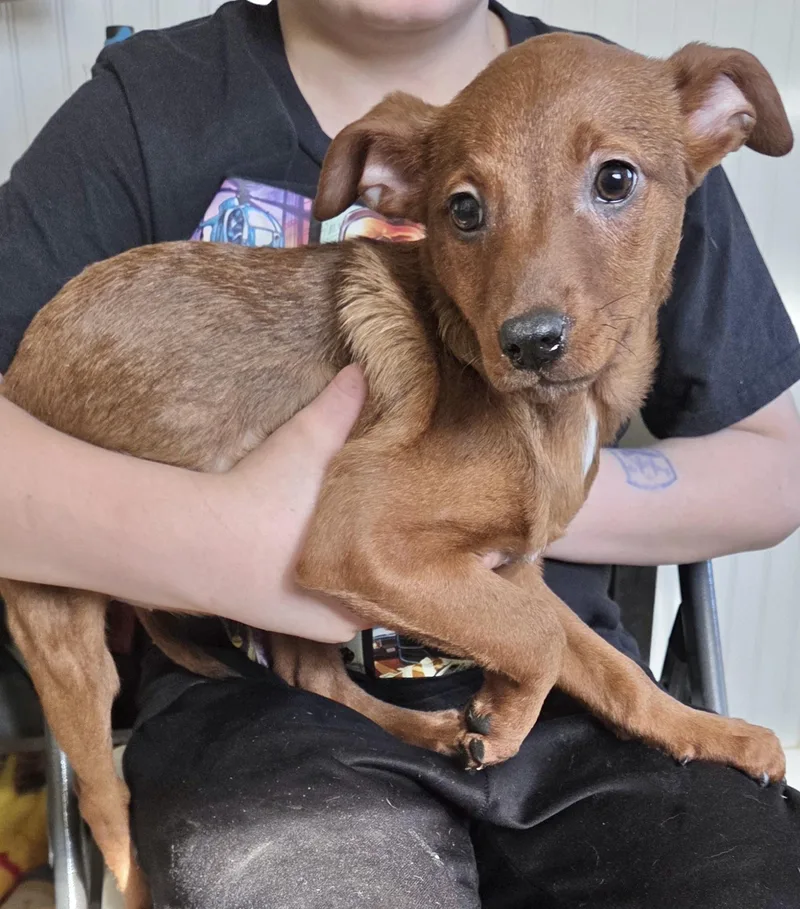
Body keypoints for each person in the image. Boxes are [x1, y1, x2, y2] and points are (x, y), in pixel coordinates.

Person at [1, 1, 799, 906]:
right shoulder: (146, 107)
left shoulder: (626, 93)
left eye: (612, 182)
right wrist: (226, 542)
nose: (530, 300)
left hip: (564, 722)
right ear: (396, 192)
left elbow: (778, 465)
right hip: (256, 716)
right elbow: (351, 544)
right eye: (467, 210)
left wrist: (506, 509)